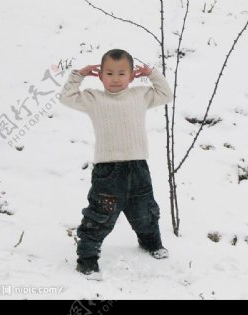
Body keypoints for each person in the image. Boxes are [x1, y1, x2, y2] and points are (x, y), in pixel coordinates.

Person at [59, 49, 173, 275]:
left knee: (145, 211)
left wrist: (152, 74)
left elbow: (165, 94)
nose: (116, 79)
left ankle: (151, 242)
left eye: (122, 74)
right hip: (108, 172)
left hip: (138, 167)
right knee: (100, 216)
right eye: (109, 73)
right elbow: (66, 97)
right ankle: (88, 257)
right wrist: (78, 75)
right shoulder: (94, 98)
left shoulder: (140, 95)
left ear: (131, 77)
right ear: (100, 76)